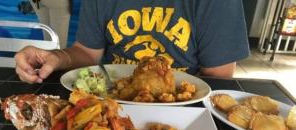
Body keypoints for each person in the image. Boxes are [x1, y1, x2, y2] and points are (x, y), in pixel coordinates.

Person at [15, 0, 250, 84]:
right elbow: (87, 53)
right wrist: (57, 57)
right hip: (110, 102)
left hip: (183, 110)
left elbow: (218, 77)